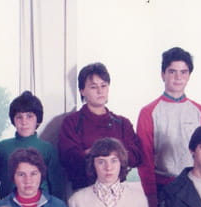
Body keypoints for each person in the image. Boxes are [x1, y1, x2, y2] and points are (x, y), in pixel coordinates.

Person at [137, 47, 201, 207]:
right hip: (163, 187)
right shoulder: (148, 112)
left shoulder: (200, 112)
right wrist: (151, 195)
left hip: (195, 186)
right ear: (163, 74)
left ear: (189, 75)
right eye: (172, 72)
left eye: (183, 72)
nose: (178, 77)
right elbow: (145, 158)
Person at [59, 63, 143, 191]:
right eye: (93, 87)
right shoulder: (72, 122)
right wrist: (100, 153)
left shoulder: (122, 123)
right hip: (83, 190)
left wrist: (112, 154)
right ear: (82, 91)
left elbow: (137, 156)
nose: (100, 91)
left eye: (103, 85)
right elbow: (68, 158)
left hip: (119, 190)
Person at [0, 91, 64, 199]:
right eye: (19, 117)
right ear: (13, 120)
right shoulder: (1, 148)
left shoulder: (48, 149)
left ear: (38, 119)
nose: (24, 122)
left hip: (42, 206)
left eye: (29, 116)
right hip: (8, 205)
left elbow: (57, 188)